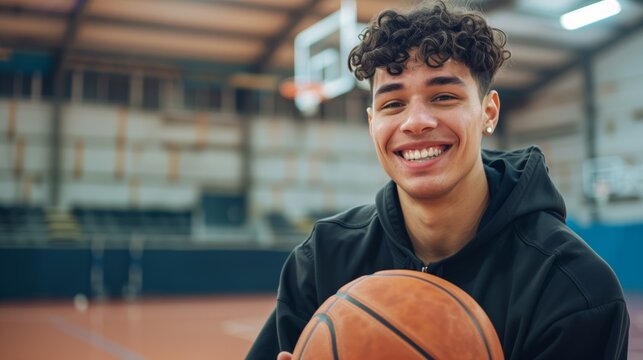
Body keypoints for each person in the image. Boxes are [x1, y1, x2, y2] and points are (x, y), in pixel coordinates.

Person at [247, 1, 630, 359]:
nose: (415, 123)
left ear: (488, 113)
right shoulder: (323, 260)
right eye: (393, 104)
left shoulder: (571, 287)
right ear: (372, 124)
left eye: (444, 96)